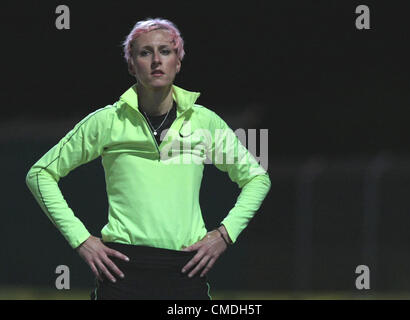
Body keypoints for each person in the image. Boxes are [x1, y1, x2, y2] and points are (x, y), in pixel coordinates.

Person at [25, 18, 271, 300]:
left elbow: (257, 178)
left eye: (165, 51)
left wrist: (225, 235)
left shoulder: (204, 122)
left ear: (177, 62)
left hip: (186, 270)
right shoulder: (108, 121)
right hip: (120, 271)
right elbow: (39, 173)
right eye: (145, 52)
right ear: (131, 65)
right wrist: (81, 240)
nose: (156, 60)